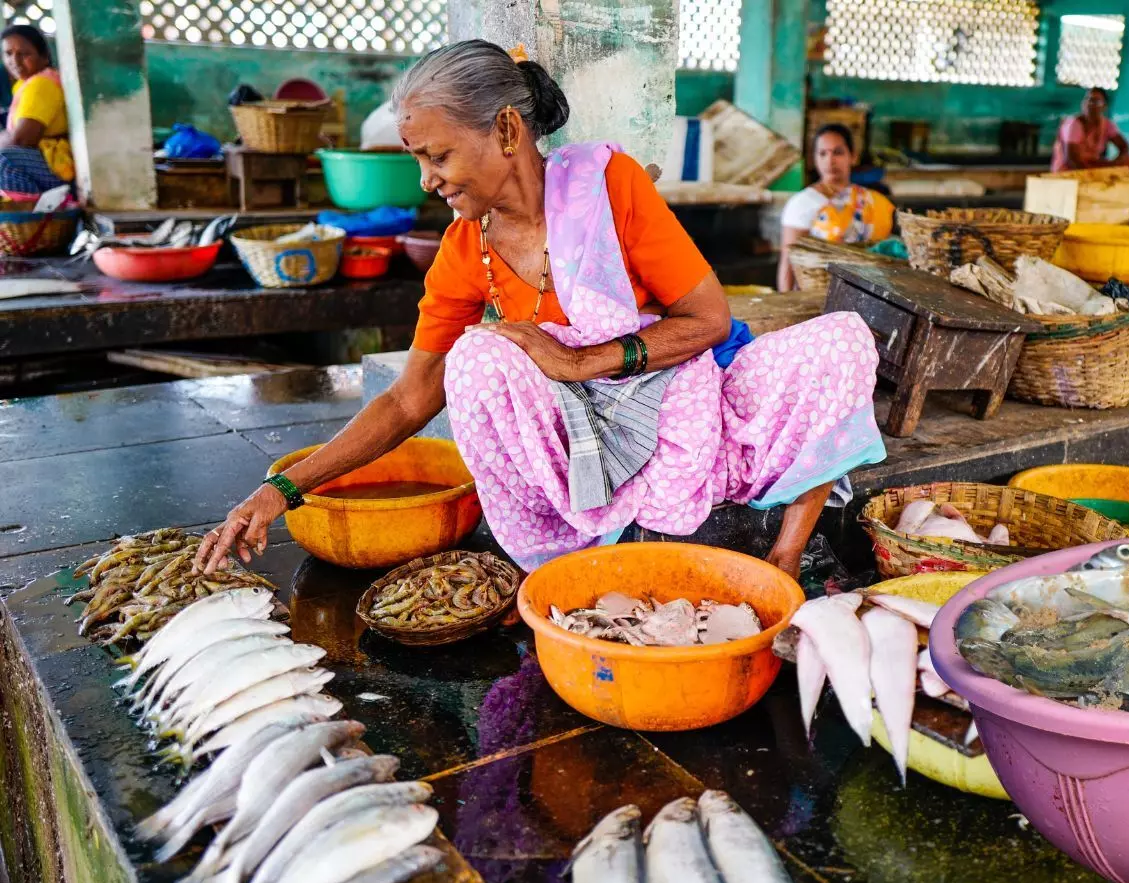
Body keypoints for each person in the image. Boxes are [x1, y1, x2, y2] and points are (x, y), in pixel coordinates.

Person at [195, 41, 886, 578]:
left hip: (682, 407)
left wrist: (585, 359)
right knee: (477, 360)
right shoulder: (468, 249)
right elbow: (409, 401)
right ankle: (560, 556)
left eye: (436, 155)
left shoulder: (607, 185)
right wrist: (283, 489)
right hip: (578, 443)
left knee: (843, 343)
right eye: (417, 160)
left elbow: (705, 321)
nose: (426, 180)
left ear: (504, 130)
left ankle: (786, 558)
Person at [776, 123, 894, 291]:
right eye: (822, 153)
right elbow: (788, 262)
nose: (830, 160)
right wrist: (787, 303)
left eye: (838, 152)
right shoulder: (802, 203)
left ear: (853, 156)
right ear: (814, 159)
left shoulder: (873, 201)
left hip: (872, 291)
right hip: (818, 295)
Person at [1, 23, 72, 195]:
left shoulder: (42, 84)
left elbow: (23, 140)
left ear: (44, 57)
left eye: (24, 54)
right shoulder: (25, 84)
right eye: (8, 54)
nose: (15, 61)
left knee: (5, 160)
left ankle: (36, 217)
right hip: (47, 163)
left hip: (59, 165)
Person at [1051, 87, 1129, 175]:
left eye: (1095, 101)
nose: (1090, 104)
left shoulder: (1106, 125)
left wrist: (1116, 162)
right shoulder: (1073, 124)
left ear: (1104, 106)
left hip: (1091, 165)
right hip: (1070, 169)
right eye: (1087, 99)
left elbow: (1124, 147)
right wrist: (1095, 172)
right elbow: (1071, 160)